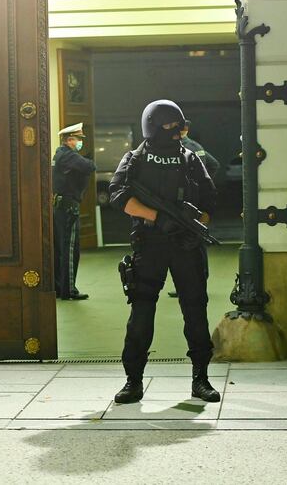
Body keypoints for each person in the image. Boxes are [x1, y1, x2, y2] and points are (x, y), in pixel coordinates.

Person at [109, 99, 220, 404]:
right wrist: (157, 218)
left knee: (195, 309)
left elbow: (210, 199)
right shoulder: (135, 159)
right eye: (171, 126)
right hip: (150, 243)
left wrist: (193, 224)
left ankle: (201, 379)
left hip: (186, 244)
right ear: (154, 127)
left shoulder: (189, 158)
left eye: (178, 126)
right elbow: (118, 196)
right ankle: (133, 380)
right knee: (142, 312)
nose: (177, 133)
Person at [167, 119, 220, 298]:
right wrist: (203, 183)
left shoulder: (180, 146)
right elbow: (214, 165)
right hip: (197, 200)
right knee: (197, 238)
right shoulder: (197, 145)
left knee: (185, 241)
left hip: (185, 200)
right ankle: (200, 279)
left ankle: (188, 283)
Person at [52, 123, 95, 300]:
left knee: (60, 249)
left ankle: (60, 287)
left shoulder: (59, 155)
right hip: (68, 208)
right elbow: (89, 166)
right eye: (78, 139)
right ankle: (69, 290)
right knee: (70, 250)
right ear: (69, 140)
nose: (79, 143)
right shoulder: (68, 156)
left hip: (60, 206)